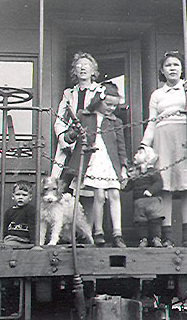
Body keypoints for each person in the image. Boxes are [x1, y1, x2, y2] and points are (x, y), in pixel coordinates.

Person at [140, 51, 187, 247]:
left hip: (185, 137)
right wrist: (145, 145)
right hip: (163, 140)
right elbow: (151, 123)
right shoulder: (157, 94)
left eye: (176, 65)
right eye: (168, 65)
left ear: (182, 69)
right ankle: (167, 235)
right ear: (162, 70)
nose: (172, 68)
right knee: (165, 187)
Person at [62, 82, 128, 248]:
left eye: (114, 105)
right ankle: (98, 232)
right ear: (99, 100)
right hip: (93, 160)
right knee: (98, 195)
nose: (111, 108)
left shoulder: (116, 122)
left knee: (114, 195)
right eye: (108, 104)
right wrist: (74, 131)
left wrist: (123, 167)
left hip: (110, 162)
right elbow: (69, 138)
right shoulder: (84, 116)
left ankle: (117, 233)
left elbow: (121, 147)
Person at [51, 52, 103, 180]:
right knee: (63, 180)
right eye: (79, 65)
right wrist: (63, 139)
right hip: (71, 139)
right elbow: (59, 120)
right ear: (75, 71)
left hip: (92, 139)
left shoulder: (100, 91)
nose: (82, 68)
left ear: (93, 71)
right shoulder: (69, 93)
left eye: (86, 65)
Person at [124, 145, 164, 247]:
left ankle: (156, 238)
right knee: (141, 223)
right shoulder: (135, 173)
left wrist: (151, 191)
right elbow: (128, 187)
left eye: (140, 153)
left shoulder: (153, 172)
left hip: (152, 201)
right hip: (139, 203)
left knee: (155, 221)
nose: (136, 155)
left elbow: (159, 183)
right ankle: (143, 239)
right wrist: (125, 183)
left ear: (148, 157)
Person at [3, 180, 36, 247]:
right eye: (18, 194)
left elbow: (33, 227)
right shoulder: (9, 212)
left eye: (24, 195)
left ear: (30, 198)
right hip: (11, 239)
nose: (21, 197)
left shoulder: (31, 210)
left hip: (25, 240)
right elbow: (4, 229)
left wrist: (34, 243)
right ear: (13, 196)